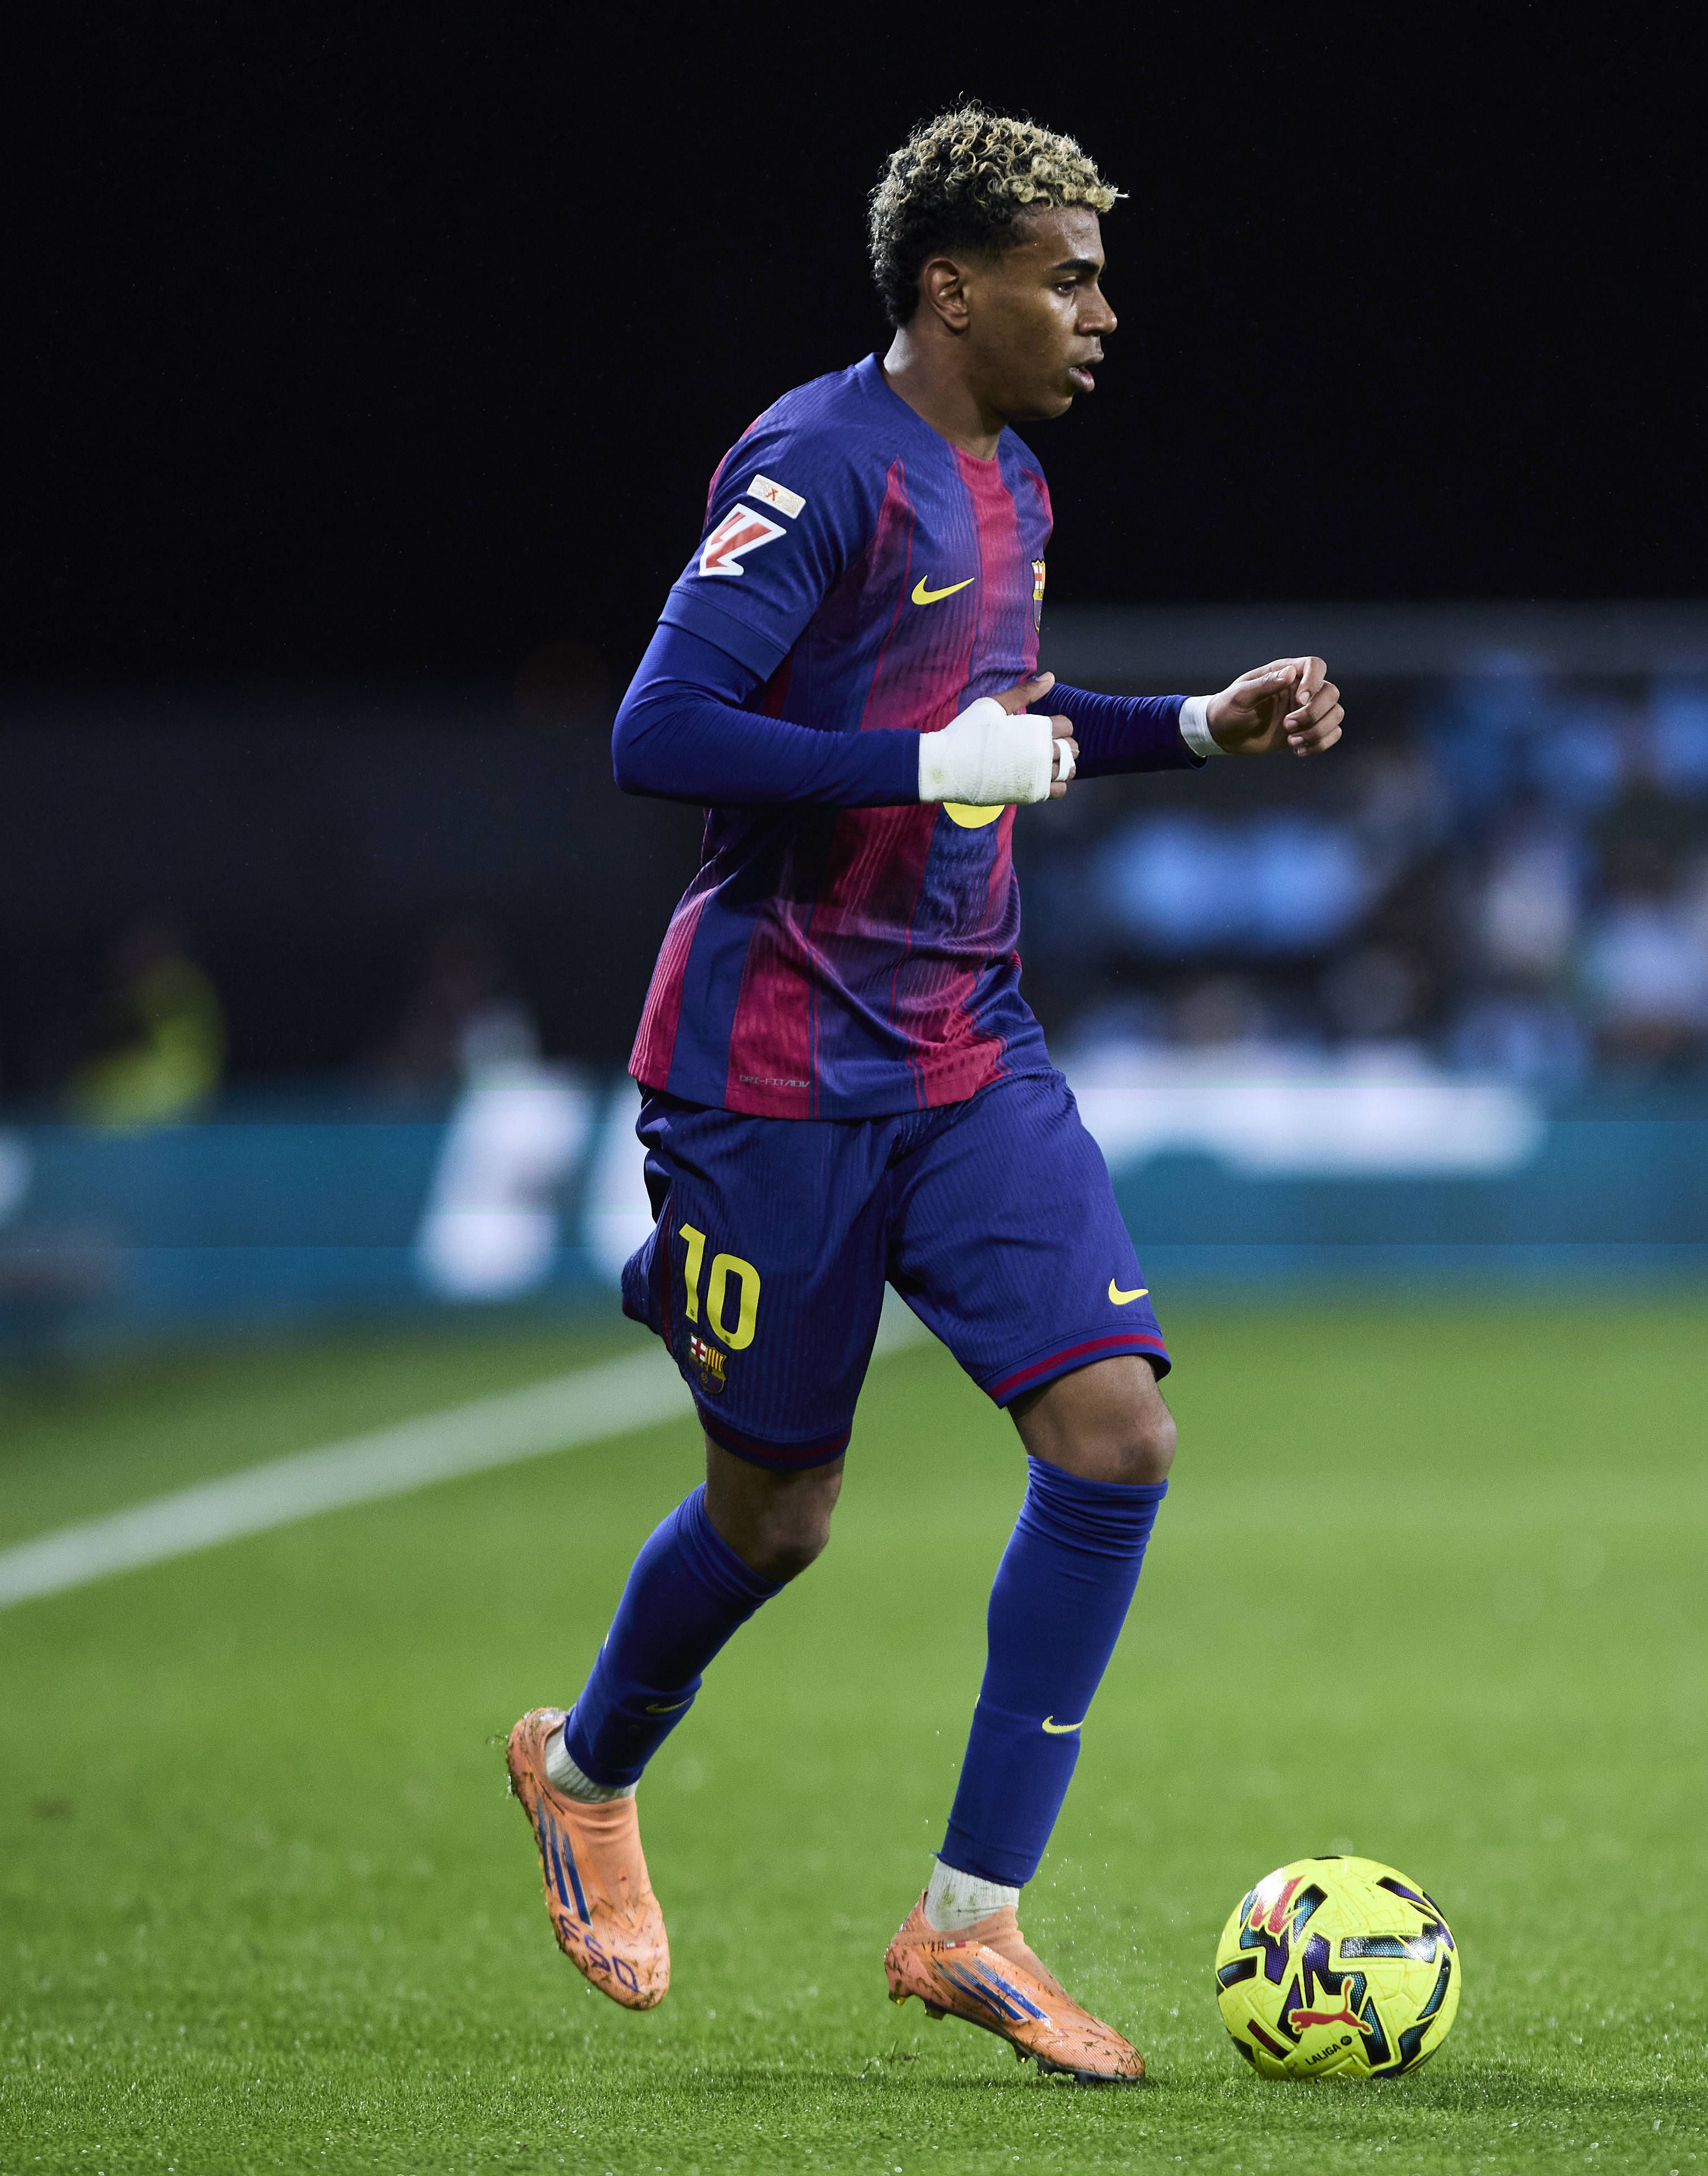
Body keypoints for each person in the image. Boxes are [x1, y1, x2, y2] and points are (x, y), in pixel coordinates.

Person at [501, 105, 1344, 2083]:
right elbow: (659, 730)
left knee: (1116, 1440)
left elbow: (1007, 732)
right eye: (1071, 279)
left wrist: (1195, 728)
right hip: (772, 1071)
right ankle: (586, 1769)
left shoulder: (1015, 484)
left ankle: (971, 1921)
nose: (1103, 314)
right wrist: (926, 769)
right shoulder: (816, 463)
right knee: (779, 1517)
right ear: (953, 289)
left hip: (967, 1043)